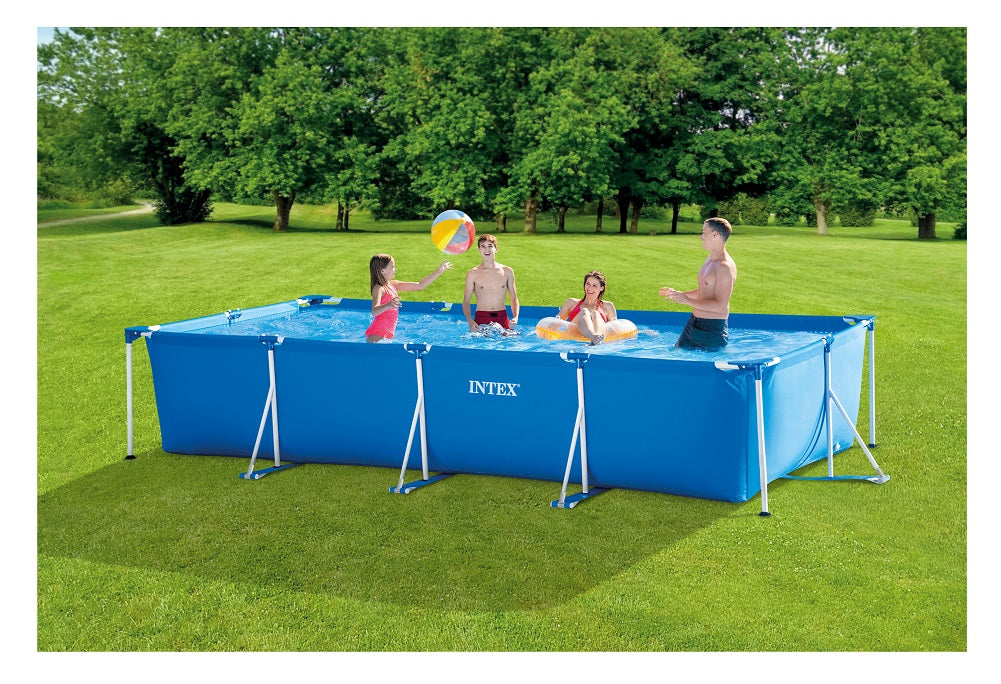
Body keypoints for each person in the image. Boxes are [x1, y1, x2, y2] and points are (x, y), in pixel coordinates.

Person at [659, 217, 736, 349]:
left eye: (704, 233)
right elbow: (704, 291)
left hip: (711, 330)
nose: (701, 236)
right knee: (677, 355)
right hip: (693, 323)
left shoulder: (724, 267)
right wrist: (680, 294)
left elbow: (720, 306)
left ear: (715, 235)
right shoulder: (709, 259)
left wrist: (687, 301)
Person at [366, 254, 452, 343]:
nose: (395, 269)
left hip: (386, 335)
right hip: (377, 335)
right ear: (382, 270)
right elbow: (374, 311)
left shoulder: (393, 285)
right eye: (392, 267)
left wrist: (439, 271)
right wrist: (389, 305)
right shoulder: (379, 288)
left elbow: (420, 285)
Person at [462, 234, 520, 333]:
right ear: (479, 250)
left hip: (502, 318)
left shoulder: (507, 271)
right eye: (483, 246)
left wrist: (515, 317)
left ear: (496, 249)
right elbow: (466, 301)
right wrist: (470, 321)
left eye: (490, 246)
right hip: (481, 318)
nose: (487, 250)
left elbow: (514, 298)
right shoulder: (472, 273)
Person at [556, 270, 618, 345]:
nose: (590, 288)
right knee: (584, 311)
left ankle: (594, 340)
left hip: (599, 334)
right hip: (576, 335)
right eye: (588, 284)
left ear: (602, 288)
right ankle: (593, 337)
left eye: (594, 285)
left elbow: (615, 329)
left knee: (595, 313)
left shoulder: (608, 306)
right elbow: (557, 323)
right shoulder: (571, 302)